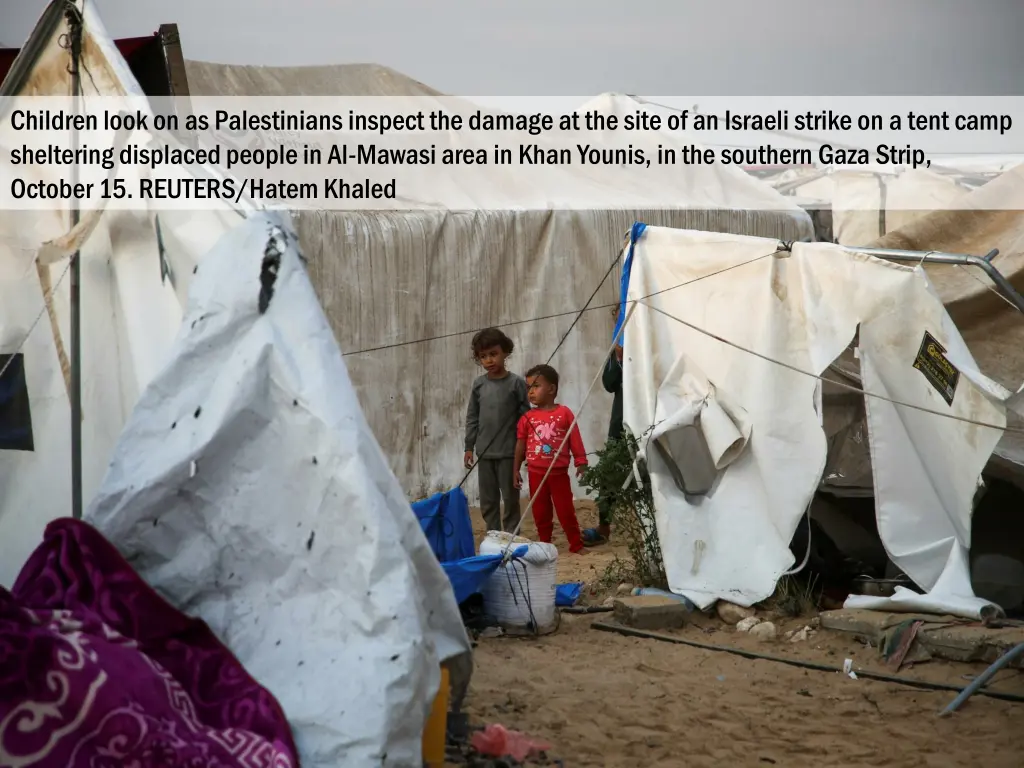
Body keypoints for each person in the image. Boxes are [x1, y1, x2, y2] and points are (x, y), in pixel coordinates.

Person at [514, 364, 587, 554]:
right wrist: (515, 468)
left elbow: (575, 438)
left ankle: (576, 544)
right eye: (528, 387)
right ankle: (545, 543)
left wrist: (581, 461)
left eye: (535, 386)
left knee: (565, 511)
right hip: (535, 473)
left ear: (551, 389)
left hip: (558, 473)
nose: (530, 392)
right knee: (540, 512)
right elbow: (520, 445)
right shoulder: (527, 418)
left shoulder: (564, 413)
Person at [464, 327, 530, 533]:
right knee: (488, 499)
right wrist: (469, 447)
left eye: (493, 354)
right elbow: (472, 417)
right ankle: (493, 534)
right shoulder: (479, 385)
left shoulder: (516, 383)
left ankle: (511, 535)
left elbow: (526, 418)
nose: (489, 360)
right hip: (484, 453)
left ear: (505, 352)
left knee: (510, 498)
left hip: (509, 453)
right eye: (483, 356)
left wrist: (525, 447)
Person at [581, 342, 622, 546]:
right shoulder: (618, 349)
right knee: (610, 473)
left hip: (654, 418)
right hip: (622, 423)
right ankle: (604, 526)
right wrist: (619, 357)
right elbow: (609, 383)